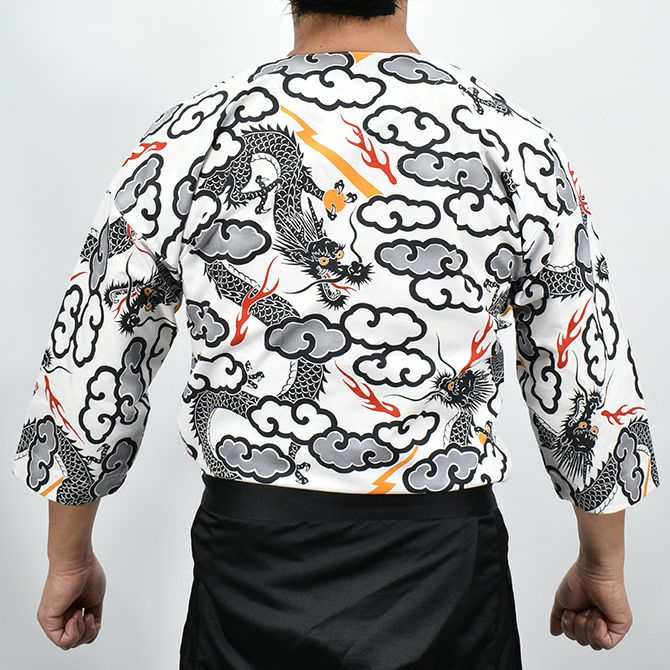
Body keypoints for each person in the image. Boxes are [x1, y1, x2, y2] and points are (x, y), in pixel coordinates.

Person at [12, 0, 660, 667]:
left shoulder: (191, 136)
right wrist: (601, 563)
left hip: (252, 569)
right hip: (444, 570)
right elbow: (585, 366)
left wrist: (69, 557)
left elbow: (93, 352)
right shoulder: (510, 139)